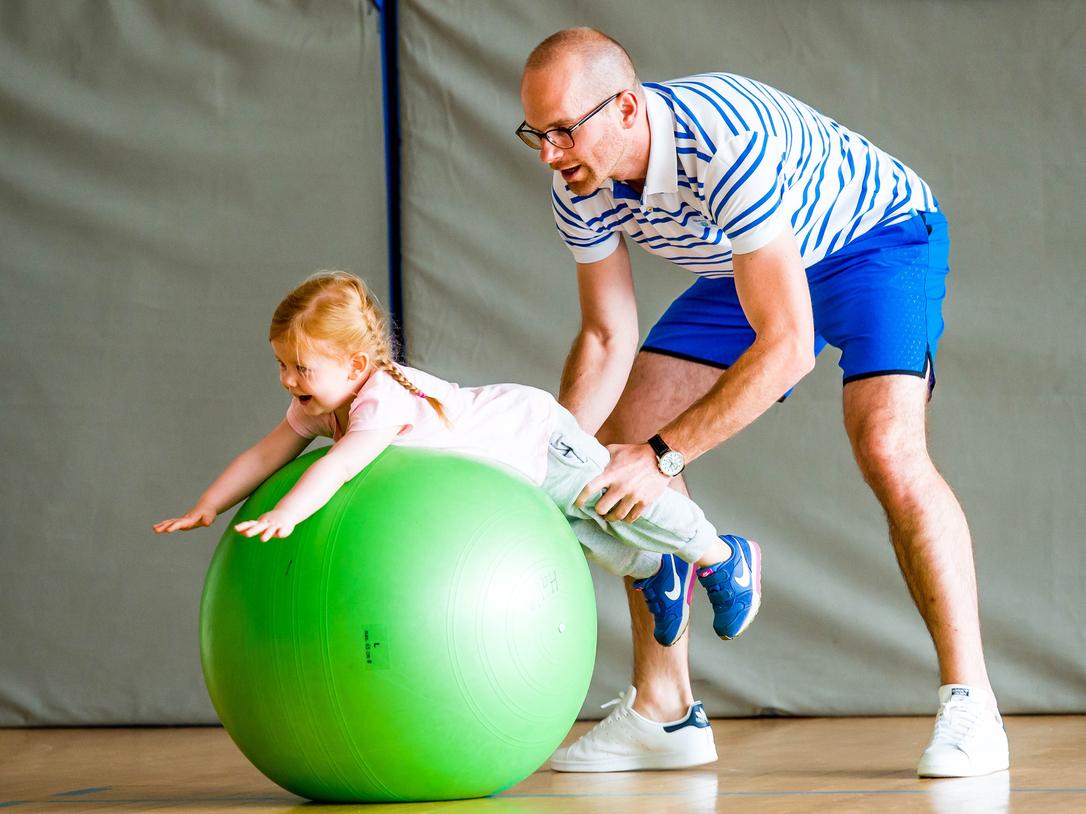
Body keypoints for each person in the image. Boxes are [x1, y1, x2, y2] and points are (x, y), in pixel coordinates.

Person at [516, 28, 1008, 778]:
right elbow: (606, 337)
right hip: (756, 260)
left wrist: (660, 458)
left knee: (887, 446)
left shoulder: (722, 140)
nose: (549, 154)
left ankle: (973, 700)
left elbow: (786, 345)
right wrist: (548, 459)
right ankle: (664, 711)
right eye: (535, 135)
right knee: (616, 434)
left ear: (623, 107)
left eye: (561, 132)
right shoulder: (581, 180)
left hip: (877, 240)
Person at [153, 270, 760, 653]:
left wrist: (288, 513)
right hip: (508, 481)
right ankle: (658, 570)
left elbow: (339, 466)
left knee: (611, 502)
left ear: (356, 365)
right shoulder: (321, 403)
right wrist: (208, 505)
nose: (288, 381)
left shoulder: (377, 403)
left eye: (301, 368)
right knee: (586, 537)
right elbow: (267, 452)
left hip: (534, 438)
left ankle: (721, 557)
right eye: (281, 365)